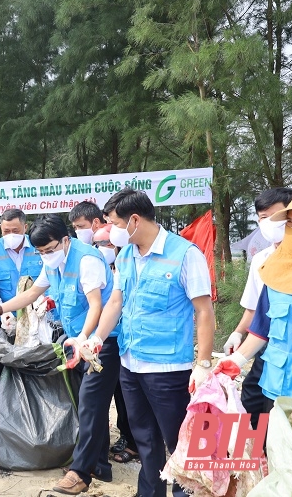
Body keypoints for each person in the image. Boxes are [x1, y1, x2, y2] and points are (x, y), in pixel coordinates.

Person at [0, 214, 116, 494]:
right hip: (77, 341)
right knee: (90, 404)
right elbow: (33, 292)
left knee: (89, 404)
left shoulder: (87, 261)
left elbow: (97, 306)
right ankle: (100, 464)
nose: (46, 256)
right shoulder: (54, 263)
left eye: (49, 250)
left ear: (65, 240)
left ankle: (81, 473)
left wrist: (85, 339)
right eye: (40, 252)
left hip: (101, 341)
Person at [90, 188, 215, 497]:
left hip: (168, 369)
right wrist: (97, 337)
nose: (110, 231)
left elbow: (204, 311)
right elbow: (116, 301)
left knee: (179, 441)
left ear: (134, 219)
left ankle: (188, 493)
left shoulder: (185, 254)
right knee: (145, 439)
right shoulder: (128, 255)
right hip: (131, 364)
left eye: (114, 223)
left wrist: (203, 363)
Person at [220, 187, 292, 429]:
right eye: (289, 222)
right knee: (274, 449)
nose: (288, 228)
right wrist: (234, 361)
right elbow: (261, 328)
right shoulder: (273, 271)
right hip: (277, 385)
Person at [93, 224, 138, 464]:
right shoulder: (97, 268)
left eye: (108, 244)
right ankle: (123, 437)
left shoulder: (129, 264)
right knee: (109, 395)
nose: (104, 249)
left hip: (126, 340)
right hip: (106, 340)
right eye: (99, 244)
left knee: (126, 396)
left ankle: (132, 442)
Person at [0, 208, 44, 379]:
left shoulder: (38, 245)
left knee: (36, 365)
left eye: (15, 231)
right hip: (6, 319)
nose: (10, 234)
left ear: (25, 227)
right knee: (6, 367)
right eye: (6, 231)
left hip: (37, 318)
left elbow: (49, 279)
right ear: (1, 228)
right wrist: (2, 311)